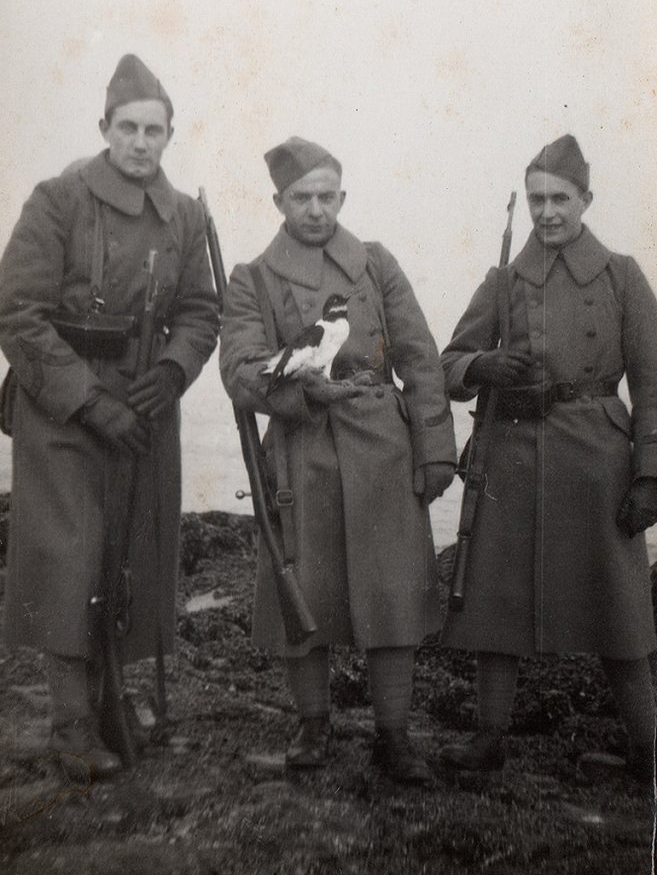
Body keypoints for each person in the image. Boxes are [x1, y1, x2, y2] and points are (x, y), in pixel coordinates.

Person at [0, 54, 219, 779]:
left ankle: (108, 714)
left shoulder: (184, 214)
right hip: (61, 406)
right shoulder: (57, 199)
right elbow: (17, 313)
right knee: (71, 559)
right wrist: (89, 401)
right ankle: (69, 732)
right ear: (104, 129)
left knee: (127, 558)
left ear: (168, 135)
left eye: (154, 130)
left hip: (144, 405)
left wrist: (172, 370)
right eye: (127, 127)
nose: (140, 142)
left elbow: (200, 310)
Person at [220, 136, 457, 785]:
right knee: (306, 596)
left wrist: (436, 453)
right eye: (302, 198)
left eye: (327, 196)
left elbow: (418, 357)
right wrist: (299, 392)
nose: (316, 210)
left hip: (383, 446)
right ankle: (312, 728)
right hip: (302, 453)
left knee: (392, 596)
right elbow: (239, 369)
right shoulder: (253, 278)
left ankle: (394, 737)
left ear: (343, 197)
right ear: (278, 202)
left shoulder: (376, 265)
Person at [439, 134, 657, 786]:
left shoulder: (621, 275)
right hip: (510, 456)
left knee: (617, 610)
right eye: (535, 199)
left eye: (559, 198)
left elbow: (650, 381)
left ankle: (647, 753)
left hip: (595, 460)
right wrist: (482, 363)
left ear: (585, 199)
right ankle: (487, 739)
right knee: (493, 602)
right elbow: (447, 363)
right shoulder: (502, 279)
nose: (546, 213)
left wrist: (649, 473)